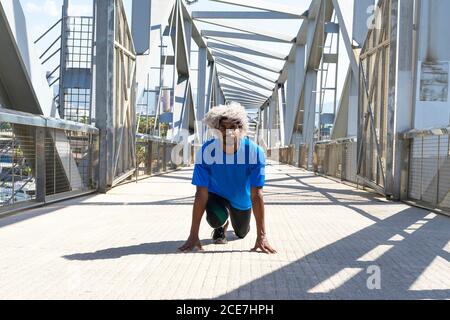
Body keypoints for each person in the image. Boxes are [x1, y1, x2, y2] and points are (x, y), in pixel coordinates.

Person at [178, 102, 277, 254]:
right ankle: (221, 226)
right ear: (216, 130)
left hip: (241, 200)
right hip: (216, 196)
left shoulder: (255, 153)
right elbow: (201, 194)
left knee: (241, 233)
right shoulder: (206, 152)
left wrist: (262, 236)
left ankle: (238, 222)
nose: (227, 132)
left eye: (233, 127)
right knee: (215, 217)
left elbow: (257, 195)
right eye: (222, 127)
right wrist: (193, 235)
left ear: (241, 129)